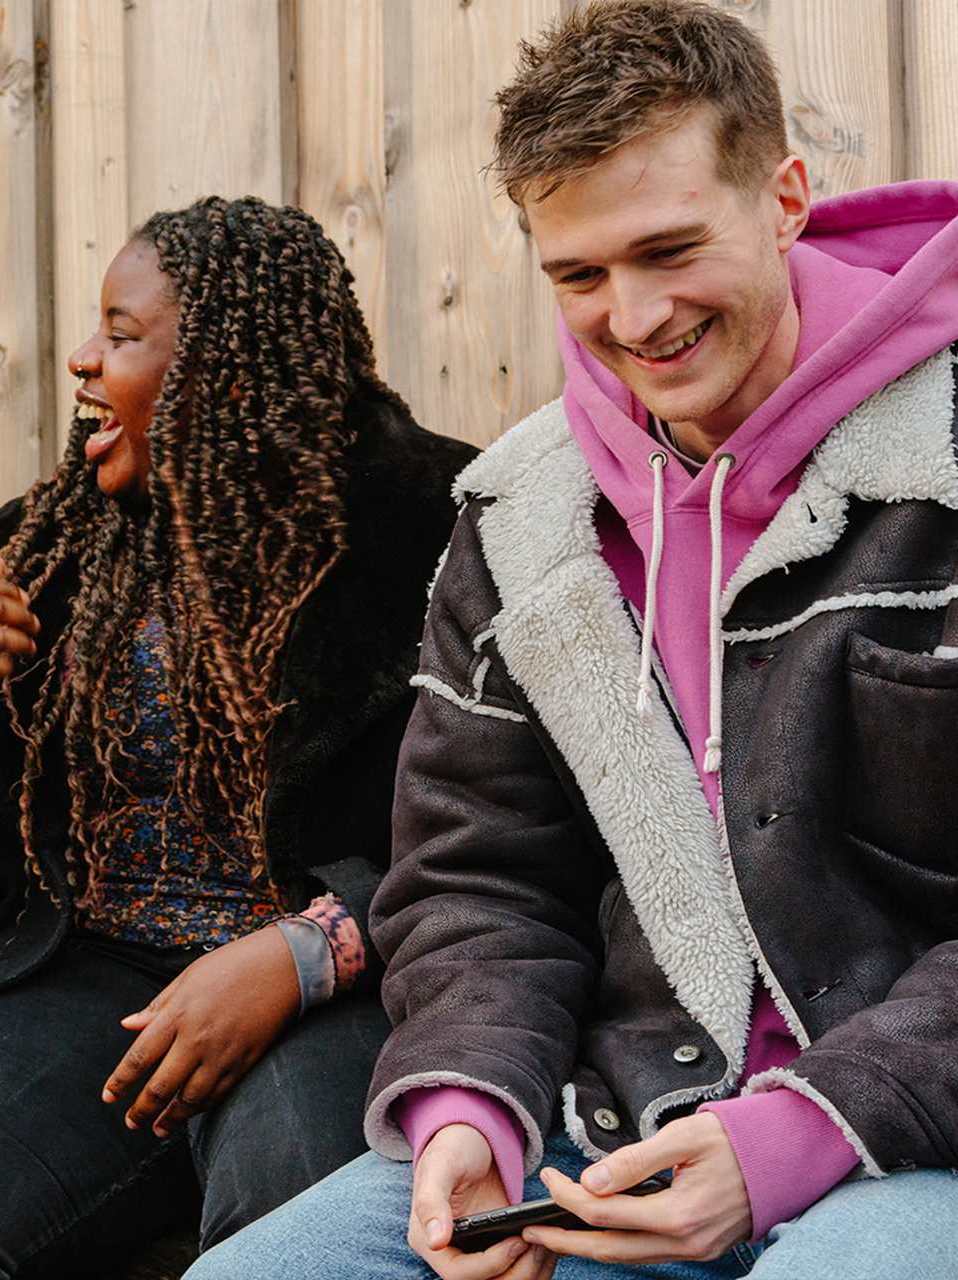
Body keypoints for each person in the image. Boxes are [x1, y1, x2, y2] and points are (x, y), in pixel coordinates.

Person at [186, 4, 958, 1279]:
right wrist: (467, 1107)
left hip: (917, 1135)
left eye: (669, 248)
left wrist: (799, 1132)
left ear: (786, 197)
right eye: (580, 274)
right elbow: (478, 877)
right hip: (620, 1128)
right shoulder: (522, 517)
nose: (635, 316)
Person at [0, 196, 475, 1277]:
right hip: (87, 968)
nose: (81, 360)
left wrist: (305, 951)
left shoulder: (435, 535)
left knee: (307, 1222)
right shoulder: (34, 556)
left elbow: (504, 830)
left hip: (344, 980)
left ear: (230, 369)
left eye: (123, 332)